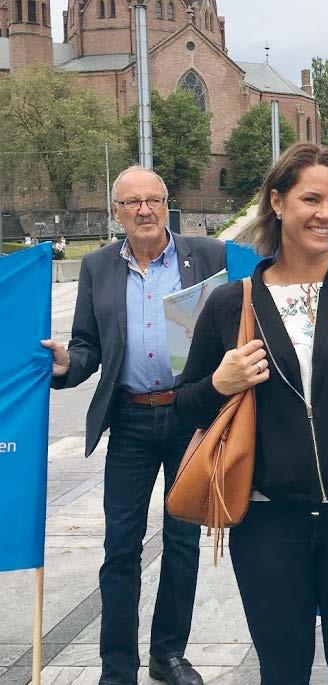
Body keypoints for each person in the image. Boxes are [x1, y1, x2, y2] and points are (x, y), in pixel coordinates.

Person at [175, 143, 328, 685]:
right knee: (283, 672)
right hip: (267, 520)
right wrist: (220, 383)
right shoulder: (229, 304)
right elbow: (183, 405)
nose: (324, 214)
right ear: (277, 202)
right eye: (310, 198)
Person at [41, 166, 226, 685]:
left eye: (154, 200)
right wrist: (65, 366)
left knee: (183, 541)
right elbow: (87, 347)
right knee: (120, 546)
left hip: (190, 416)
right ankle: (116, 666)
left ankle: (168, 656)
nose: (145, 210)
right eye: (132, 203)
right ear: (116, 212)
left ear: (168, 205)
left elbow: (230, 328)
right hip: (128, 418)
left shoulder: (207, 257)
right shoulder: (99, 267)